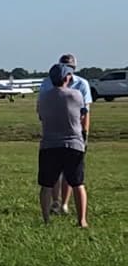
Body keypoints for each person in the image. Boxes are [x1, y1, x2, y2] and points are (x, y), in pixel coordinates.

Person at [38, 53, 92, 214]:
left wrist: (85, 133)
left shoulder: (82, 84)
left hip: (71, 134)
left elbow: (86, 112)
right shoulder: (47, 85)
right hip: (56, 133)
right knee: (56, 175)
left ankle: (64, 204)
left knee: (70, 175)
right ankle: (56, 202)